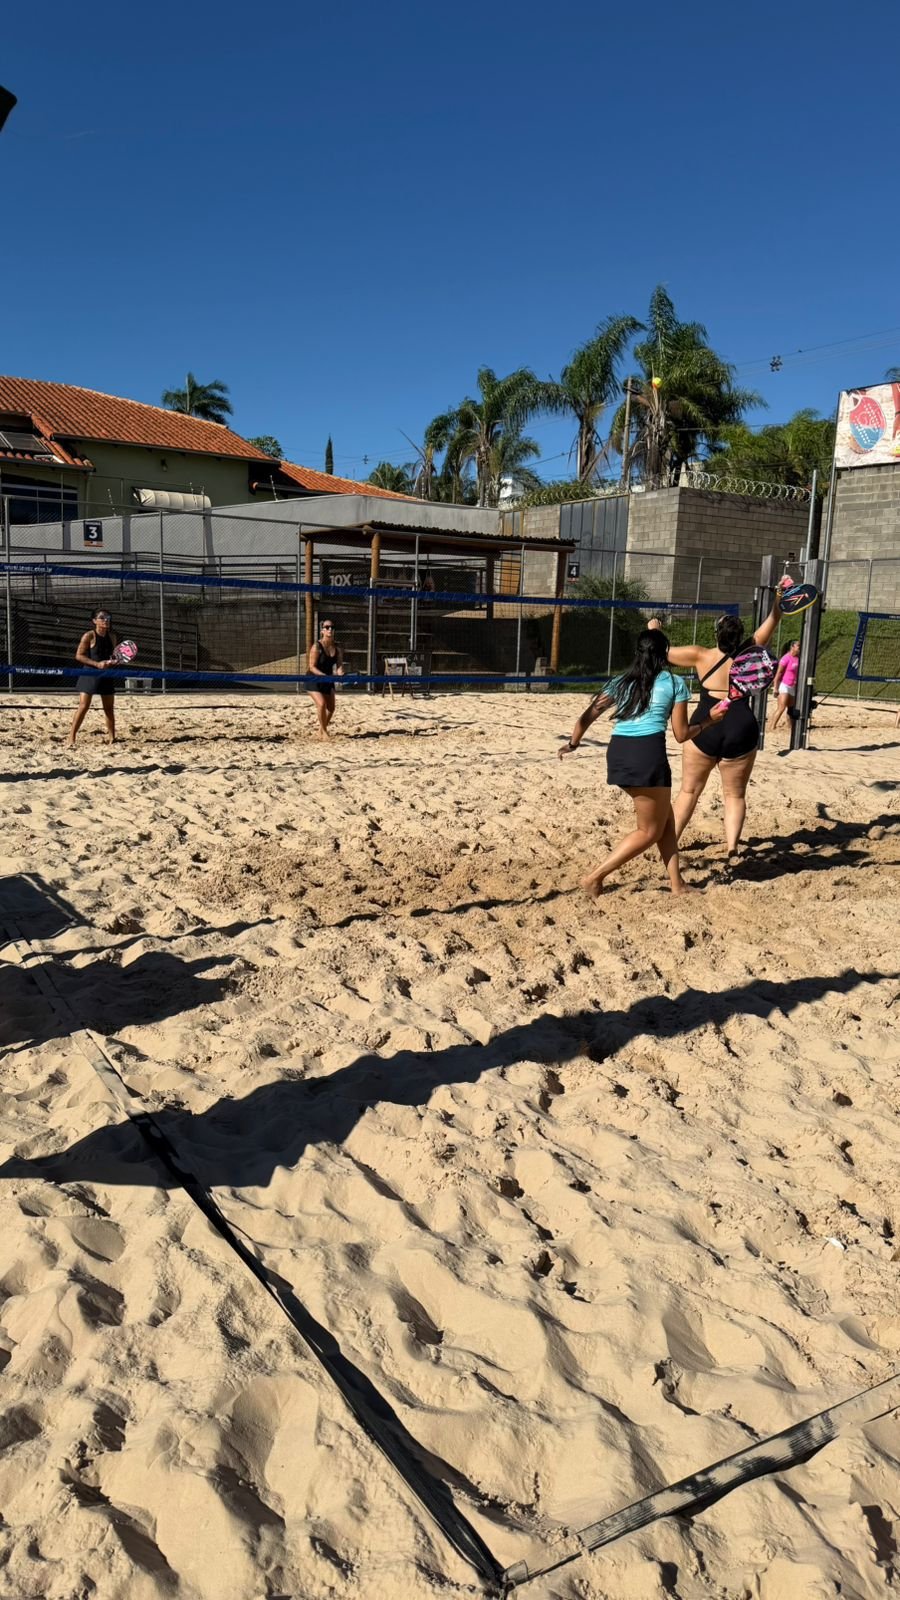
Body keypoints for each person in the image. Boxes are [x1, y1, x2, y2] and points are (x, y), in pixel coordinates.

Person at [558, 628, 729, 898]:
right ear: (665, 654)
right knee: (649, 831)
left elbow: (588, 716)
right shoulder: (674, 683)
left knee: (666, 821)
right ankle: (594, 877)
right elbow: (682, 734)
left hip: (618, 752)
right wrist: (709, 720)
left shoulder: (621, 681)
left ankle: (677, 884)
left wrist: (573, 743)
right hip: (647, 755)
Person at [647, 585, 784, 861]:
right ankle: (732, 847)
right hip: (741, 726)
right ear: (741, 636)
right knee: (735, 795)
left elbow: (661, 650)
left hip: (707, 724)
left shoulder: (700, 655)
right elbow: (774, 618)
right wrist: (779, 598)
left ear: (716, 634)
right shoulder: (751, 650)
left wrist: (653, 628)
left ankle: (670, 843)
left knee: (689, 791)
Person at [68, 608, 118, 748]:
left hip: (106, 673)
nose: (106, 620)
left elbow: (113, 656)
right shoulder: (89, 636)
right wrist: (97, 664)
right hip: (90, 673)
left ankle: (112, 737)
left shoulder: (112, 636)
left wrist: (113, 662)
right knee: (84, 706)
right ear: (94, 621)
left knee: (109, 708)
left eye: (108, 617)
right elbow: (79, 656)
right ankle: (71, 736)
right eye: (102, 618)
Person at [307, 618, 344, 736]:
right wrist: (323, 676)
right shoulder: (317, 646)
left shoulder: (338, 647)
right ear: (322, 631)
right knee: (321, 704)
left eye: (332, 627)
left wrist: (341, 673)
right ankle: (324, 732)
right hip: (313, 678)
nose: (330, 629)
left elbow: (339, 666)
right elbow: (312, 667)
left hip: (327, 679)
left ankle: (321, 730)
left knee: (331, 709)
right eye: (327, 627)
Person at [770, 639, 800, 731]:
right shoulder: (786, 658)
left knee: (790, 708)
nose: (800, 648)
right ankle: (772, 726)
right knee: (781, 707)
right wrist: (775, 688)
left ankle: (790, 727)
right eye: (798, 646)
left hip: (793, 686)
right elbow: (779, 673)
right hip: (784, 685)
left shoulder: (798, 658)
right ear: (792, 647)